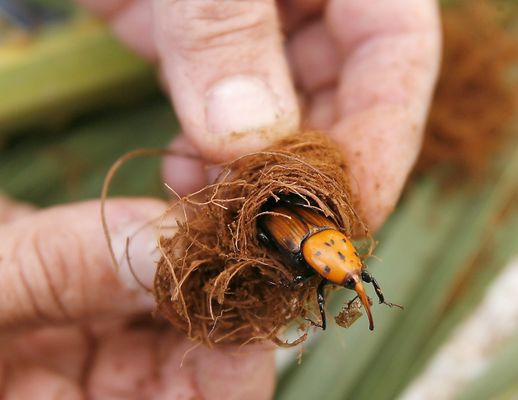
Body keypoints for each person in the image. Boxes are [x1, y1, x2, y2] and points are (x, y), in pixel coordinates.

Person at [0, 1, 441, 398]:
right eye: (354, 275)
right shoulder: (314, 251)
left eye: (350, 275)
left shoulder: (325, 252)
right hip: (287, 225)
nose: (354, 278)